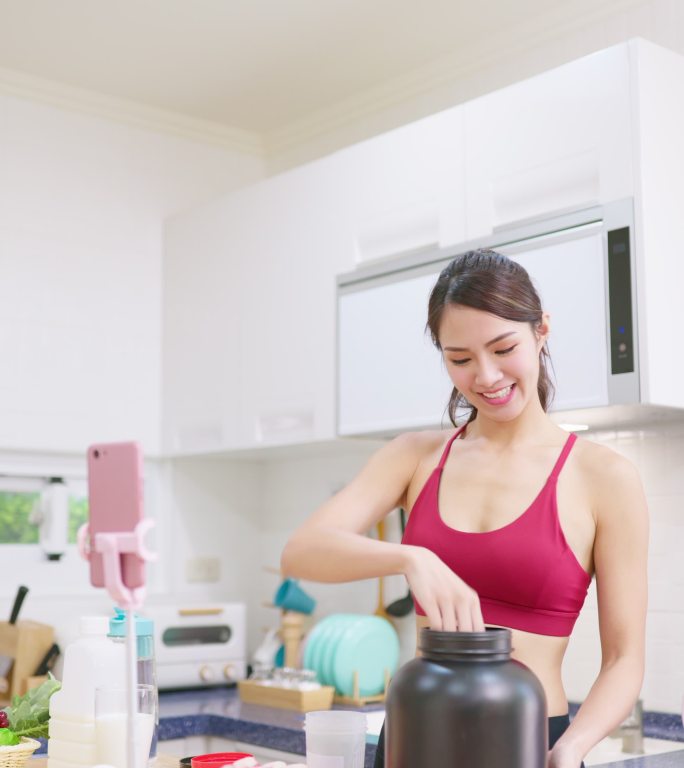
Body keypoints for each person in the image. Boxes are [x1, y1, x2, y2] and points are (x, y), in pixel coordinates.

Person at [280, 249, 648, 768]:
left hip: (534, 741)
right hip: (415, 736)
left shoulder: (605, 477)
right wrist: (411, 558)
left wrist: (571, 748)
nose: (487, 376)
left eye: (503, 348)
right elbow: (301, 552)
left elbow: (624, 659)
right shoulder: (414, 456)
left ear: (541, 330)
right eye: (460, 359)